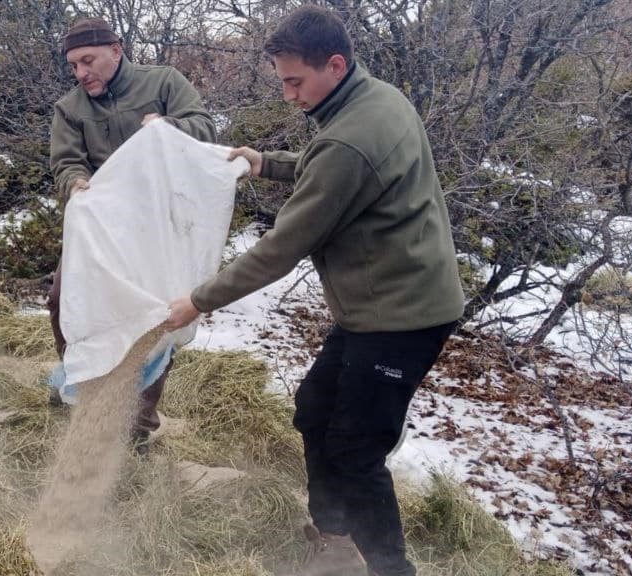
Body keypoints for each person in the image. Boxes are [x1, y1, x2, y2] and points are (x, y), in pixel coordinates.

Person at [162, 6, 464, 576]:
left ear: (335, 64)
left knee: (356, 450)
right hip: (379, 306)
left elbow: (284, 245)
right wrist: (266, 163)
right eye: (281, 80)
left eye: (294, 81)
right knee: (315, 410)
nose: (287, 94)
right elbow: (334, 165)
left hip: (401, 318)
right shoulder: (377, 99)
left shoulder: (349, 136)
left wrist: (197, 301)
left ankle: (389, 569)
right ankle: (333, 537)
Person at [47, 16, 216, 454]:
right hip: (102, 229)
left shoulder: (163, 82)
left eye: (88, 60)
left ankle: (136, 427)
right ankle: (84, 389)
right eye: (73, 66)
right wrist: (74, 184)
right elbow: (65, 161)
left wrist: (167, 127)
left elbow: (204, 126)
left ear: (116, 50)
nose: (81, 73)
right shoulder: (71, 107)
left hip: (160, 227)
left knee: (156, 317)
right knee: (62, 297)